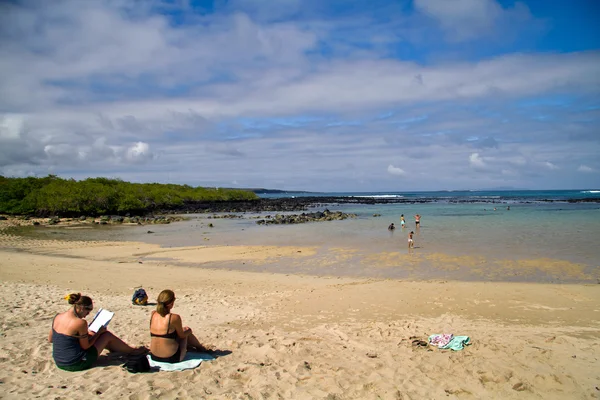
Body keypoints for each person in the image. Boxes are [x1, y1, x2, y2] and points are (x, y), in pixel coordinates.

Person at [49, 293, 146, 371]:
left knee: (93, 333)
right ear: (81, 307)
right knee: (106, 335)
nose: (88, 314)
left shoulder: (58, 316)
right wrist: (98, 333)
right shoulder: (80, 322)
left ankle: (123, 349)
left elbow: (51, 339)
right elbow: (85, 346)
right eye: (88, 311)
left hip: (59, 361)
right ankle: (133, 351)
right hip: (75, 363)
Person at [149, 289, 209, 363]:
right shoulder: (174, 317)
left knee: (173, 333)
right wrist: (189, 330)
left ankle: (197, 347)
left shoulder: (153, 314)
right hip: (172, 357)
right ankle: (200, 348)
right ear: (171, 303)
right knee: (186, 332)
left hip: (154, 356)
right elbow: (182, 336)